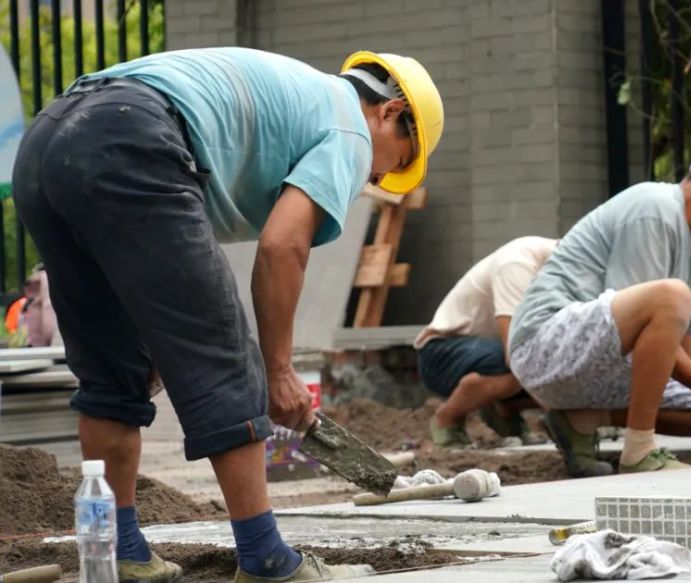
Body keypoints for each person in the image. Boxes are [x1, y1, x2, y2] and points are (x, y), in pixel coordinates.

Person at [13, 47, 443, 582]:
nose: (378, 178)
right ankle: (267, 561)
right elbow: (283, 246)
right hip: (132, 134)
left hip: (49, 140)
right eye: (396, 161)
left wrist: (162, 341)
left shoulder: (293, 98)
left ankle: (119, 552)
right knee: (228, 356)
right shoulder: (350, 127)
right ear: (390, 112)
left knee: (113, 371)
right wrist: (278, 370)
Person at [509, 124, 691, 478]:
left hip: (592, 362)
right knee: (673, 300)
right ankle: (638, 450)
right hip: (543, 345)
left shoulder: (690, 256)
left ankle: (580, 421)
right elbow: (644, 329)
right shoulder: (655, 209)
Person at [414, 236, 557, 447]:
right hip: (441, 354)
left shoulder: (556, 270)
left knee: (547, 358)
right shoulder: (517, 263)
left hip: (484, 350)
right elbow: (515, 353)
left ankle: (505, 411)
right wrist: (561, 410)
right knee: (524, 359)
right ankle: (447, 418)